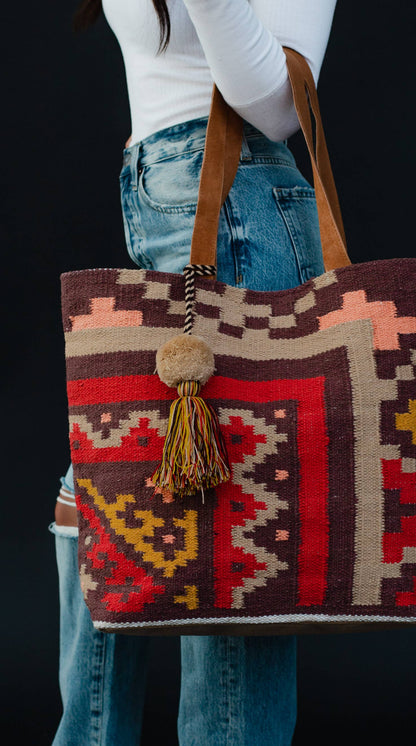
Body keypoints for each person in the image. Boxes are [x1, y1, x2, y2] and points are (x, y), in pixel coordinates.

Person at [50, 1, 338, 744]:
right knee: (119, 483)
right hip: (167, 190)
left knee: (234, 510)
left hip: (240, 198)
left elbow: (275, 107)